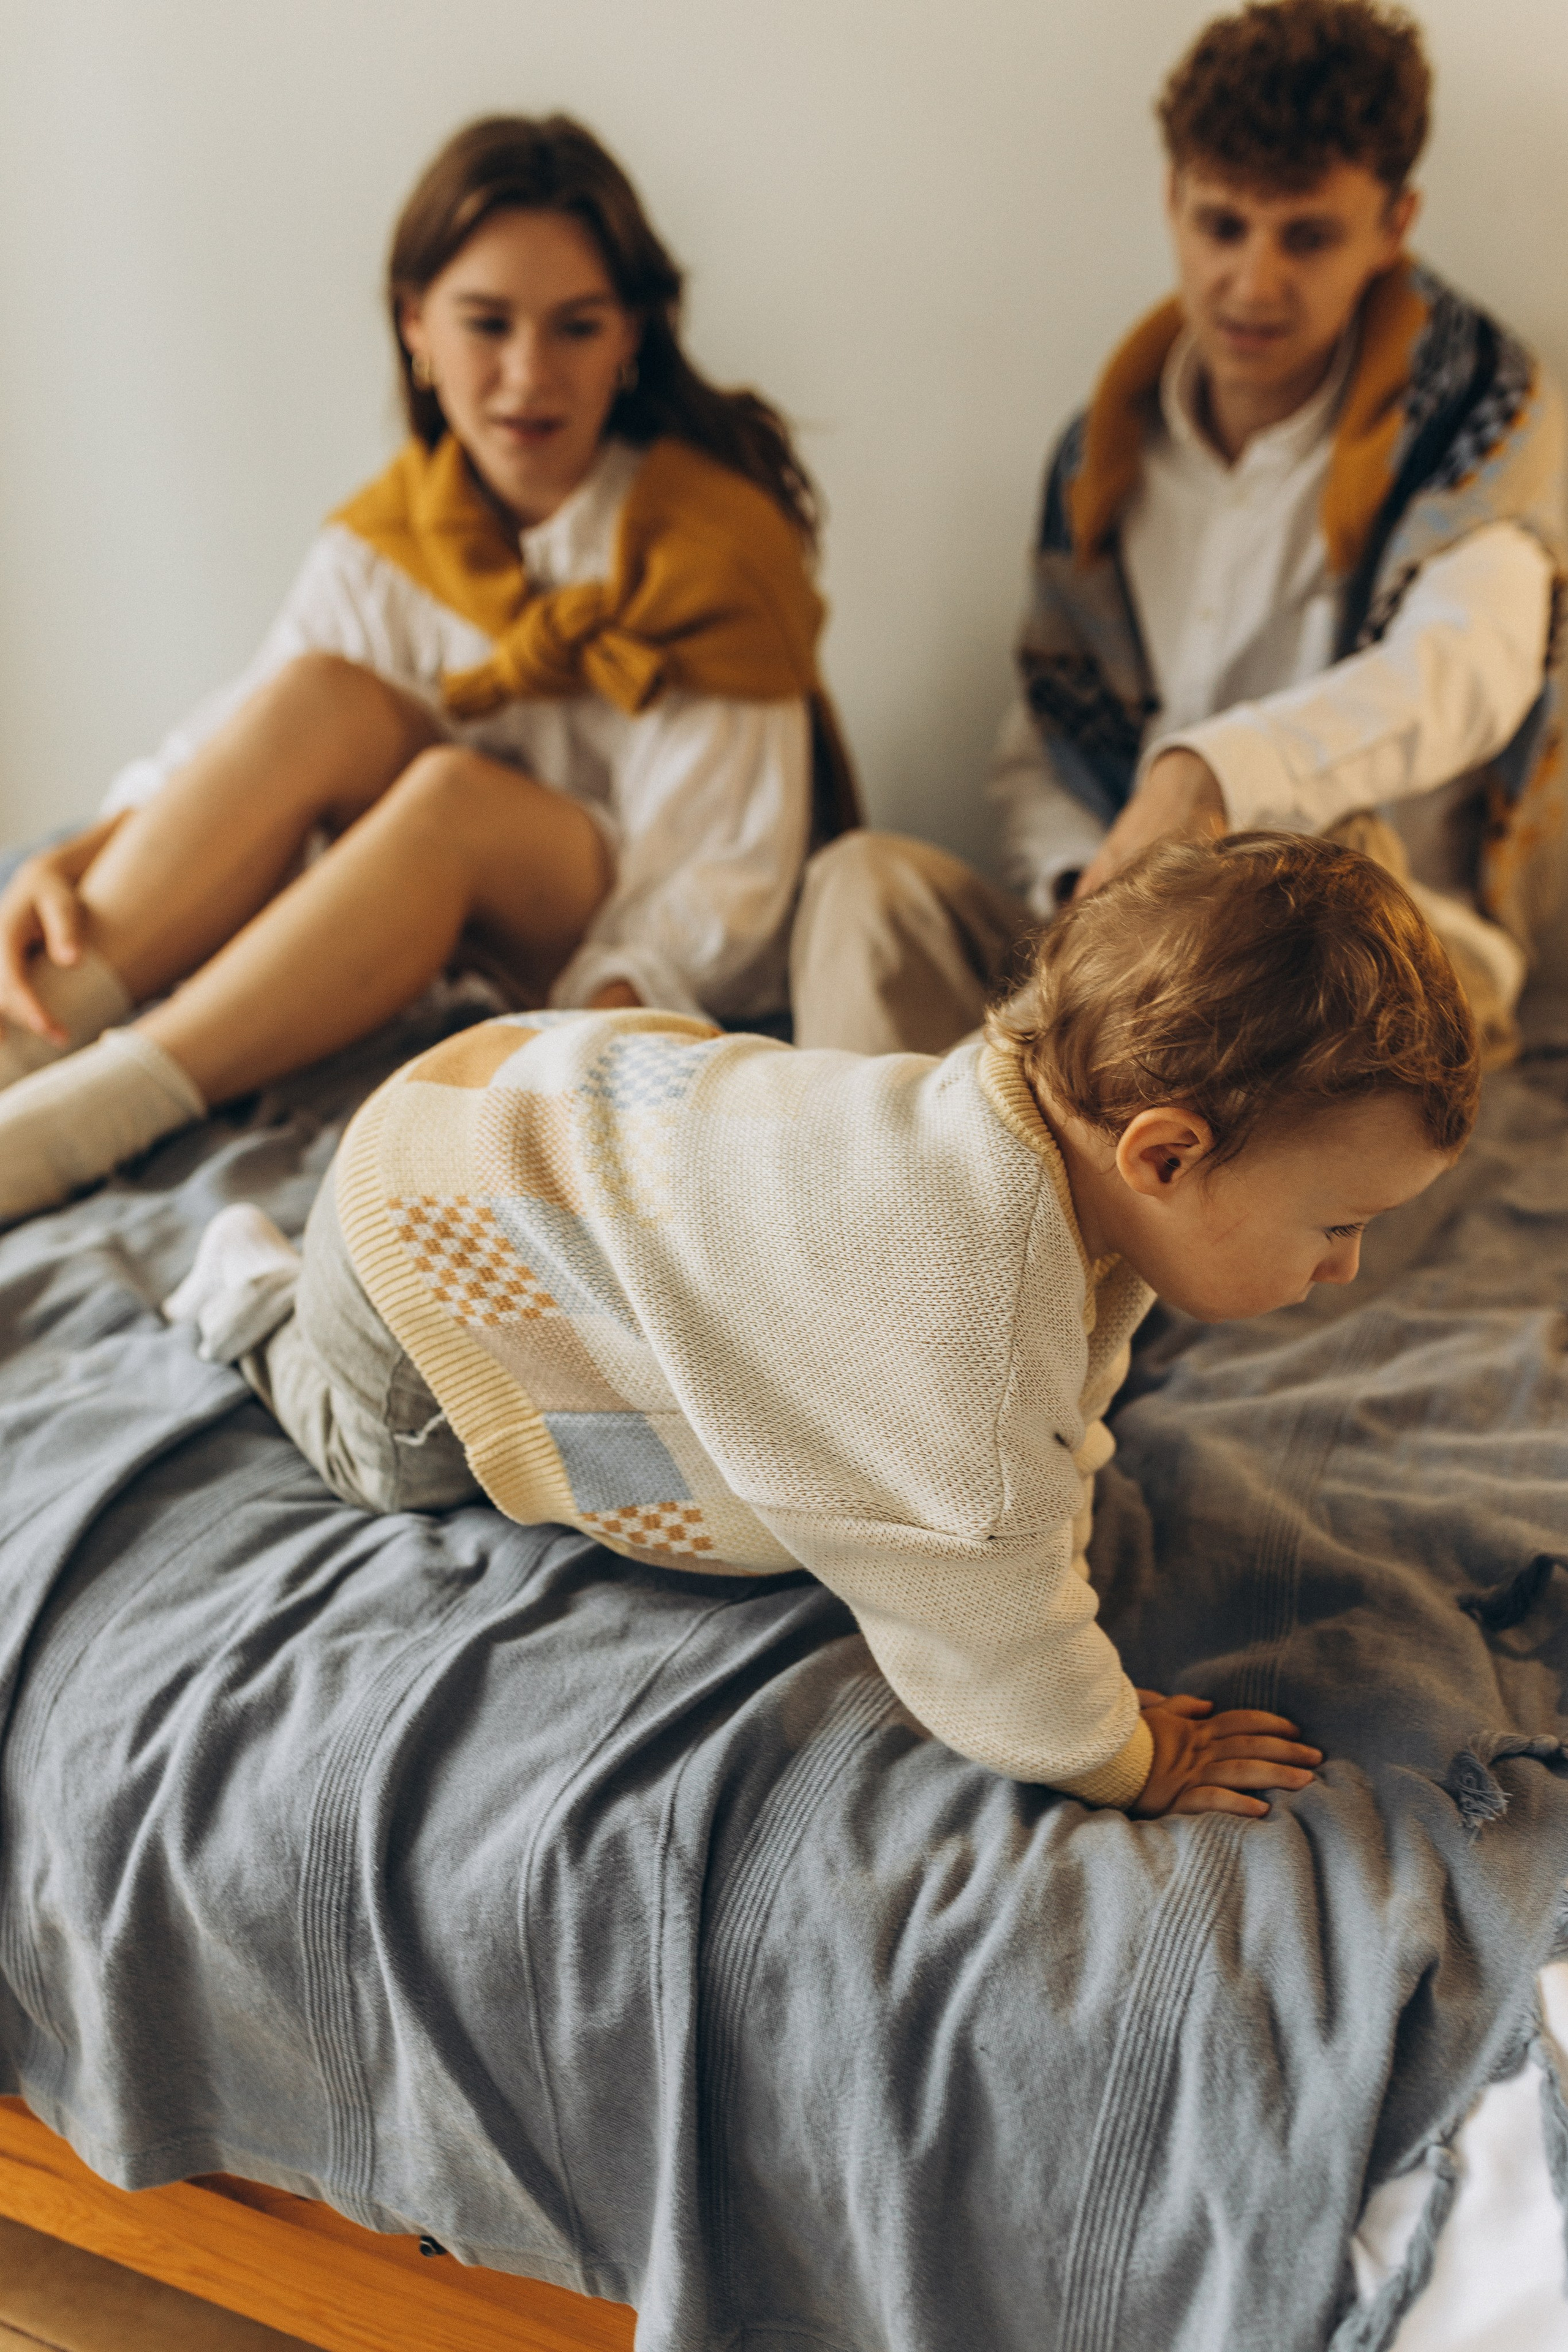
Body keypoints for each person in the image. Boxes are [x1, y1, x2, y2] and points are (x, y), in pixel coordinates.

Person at [167, 832, 1476, 1815]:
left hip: (537, 1088)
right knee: (387, 1460)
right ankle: (250, 1287)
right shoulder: (955, 1333)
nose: (1345, 1271)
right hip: (436, 1228)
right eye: (1333, 1226)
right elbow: (985, 1621)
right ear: (1164, 1154)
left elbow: (1049, 1402)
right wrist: (1130, 1759)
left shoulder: (1022, 1129)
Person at [0, 114, 855, 1227]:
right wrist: (86, 855)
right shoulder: (394, 532)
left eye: (576, 328)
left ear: (632, 338)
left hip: (613, 951)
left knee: (451, 799)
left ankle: (91, 1115)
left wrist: (577, 1042)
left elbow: (722, 887)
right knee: (323, 697)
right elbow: (243, 734)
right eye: (486, 324)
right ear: (416, 327)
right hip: (394, 931)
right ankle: (25, 1040)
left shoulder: (714, 548)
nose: (525, 377)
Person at [791, 0, 1564, 1061]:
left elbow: (1468, 670)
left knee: (1303, 861)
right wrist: (1088, 886)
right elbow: (1043, 750)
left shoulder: (1483, 414)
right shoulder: (1102, 456)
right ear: (1173, 199)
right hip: (1123, 950)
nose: (1253, 283)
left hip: (1366, 966)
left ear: (1394, 226)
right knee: (860, 889)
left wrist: (1209, 776)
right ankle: (911, 1212)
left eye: (1307, 237)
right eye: (1222, 226)